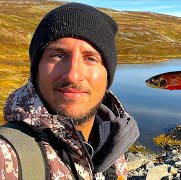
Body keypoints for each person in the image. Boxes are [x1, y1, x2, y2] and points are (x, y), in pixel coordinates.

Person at [0, 2, 139, 179]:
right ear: (36, 70)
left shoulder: (113, 148)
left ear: (107, 75)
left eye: (90, 59)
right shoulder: (6, 157)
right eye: (58, 55)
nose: (73, 75)